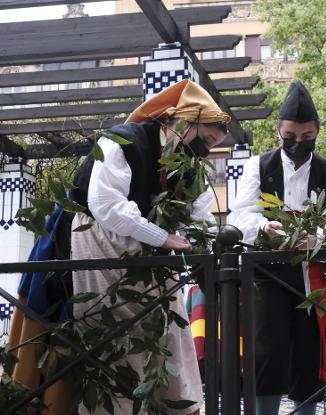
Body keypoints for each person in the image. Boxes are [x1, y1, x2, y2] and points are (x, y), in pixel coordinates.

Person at [70, 79, 230, 415]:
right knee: (116, 336)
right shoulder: (122, 141)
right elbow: (106, 204)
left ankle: (174, 407)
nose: (204, 152)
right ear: (180, 121)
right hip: (102, 241)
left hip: (153, 251)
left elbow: (197, 221)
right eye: (204, 141)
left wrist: (234, 239)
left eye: (212, 146)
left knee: (171, 334)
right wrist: (163, 237)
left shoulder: (191, 170)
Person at [228, 81, 326, 415]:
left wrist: (318, 238)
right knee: (268, 348)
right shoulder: (257, 165)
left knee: (310, 348)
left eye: (307, 137)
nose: (298, 143)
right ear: (278, 130)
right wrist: (264, 227)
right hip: (267, 271)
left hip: (313, 272)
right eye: (291, 136)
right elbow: (241, 212)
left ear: (317, 132)